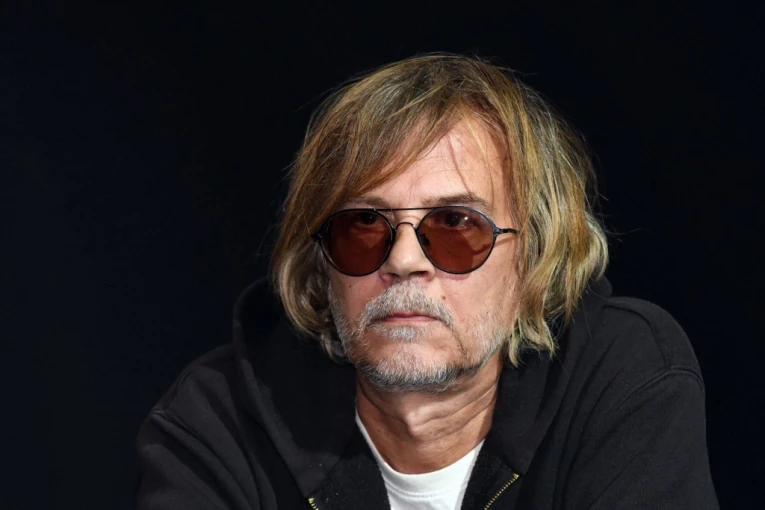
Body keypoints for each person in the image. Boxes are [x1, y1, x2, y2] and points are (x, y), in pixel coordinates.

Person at [135, 54, 718, 509]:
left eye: (456, 224)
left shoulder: (623, 371)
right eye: (365, 225)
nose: (405, 260)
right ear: (321, 265)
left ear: (534, 259)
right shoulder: (217, 419)